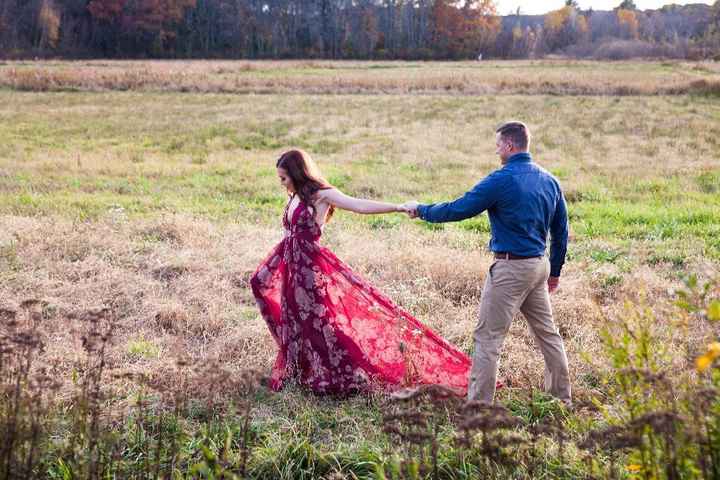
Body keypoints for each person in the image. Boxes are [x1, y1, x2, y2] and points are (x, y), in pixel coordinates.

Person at [250, 149, 473, 395]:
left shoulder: (321, 194)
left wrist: (397, 207)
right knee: (294, 318)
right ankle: (301, 370)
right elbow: (289, 235)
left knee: (320, 322)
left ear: (296, 173)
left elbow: (358, 205)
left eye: (284, 178)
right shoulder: (295, 196)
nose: (282, 183)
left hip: (309, 269)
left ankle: (345, 373)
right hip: (291, 266)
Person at [403, 121, 572, 406]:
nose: (496, 152)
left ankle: (479, 408)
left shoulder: (501, 179)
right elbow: (562, 231)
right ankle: (562, 399)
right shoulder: (550, 181)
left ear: (509, 145)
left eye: (498, 146)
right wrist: (554, 271)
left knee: (488, 338)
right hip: (537, 266)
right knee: (548, 334)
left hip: (511, 268)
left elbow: (460, 208)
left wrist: (422, 211)